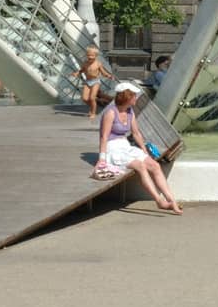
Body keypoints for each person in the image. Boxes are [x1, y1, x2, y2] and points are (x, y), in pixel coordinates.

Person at [96, 82, 181, 214]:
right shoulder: (111, 113)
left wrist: (144, 150)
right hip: (112, 148)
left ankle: (172, 201)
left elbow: (136, 133)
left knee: (154, 165)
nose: (136, 98)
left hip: (125, 146)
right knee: (140, 166)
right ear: (126, 97)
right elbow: (104, 137)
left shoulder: (130, 112)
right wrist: (102, 159)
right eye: (134, 96)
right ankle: (159, 202)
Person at [71, 46, 112, 118]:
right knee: (84, 98)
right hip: (87, 82)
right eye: (88, 55)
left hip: (96, 82)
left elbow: (103, 72)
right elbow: (82, 70)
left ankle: (93, 112)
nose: (90, 57)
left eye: (92, 55)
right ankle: (95, 105)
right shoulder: (85, 63)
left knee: (92, 98)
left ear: (96, 56)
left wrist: (108, 75)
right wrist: (77, 73)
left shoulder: (98, 64)